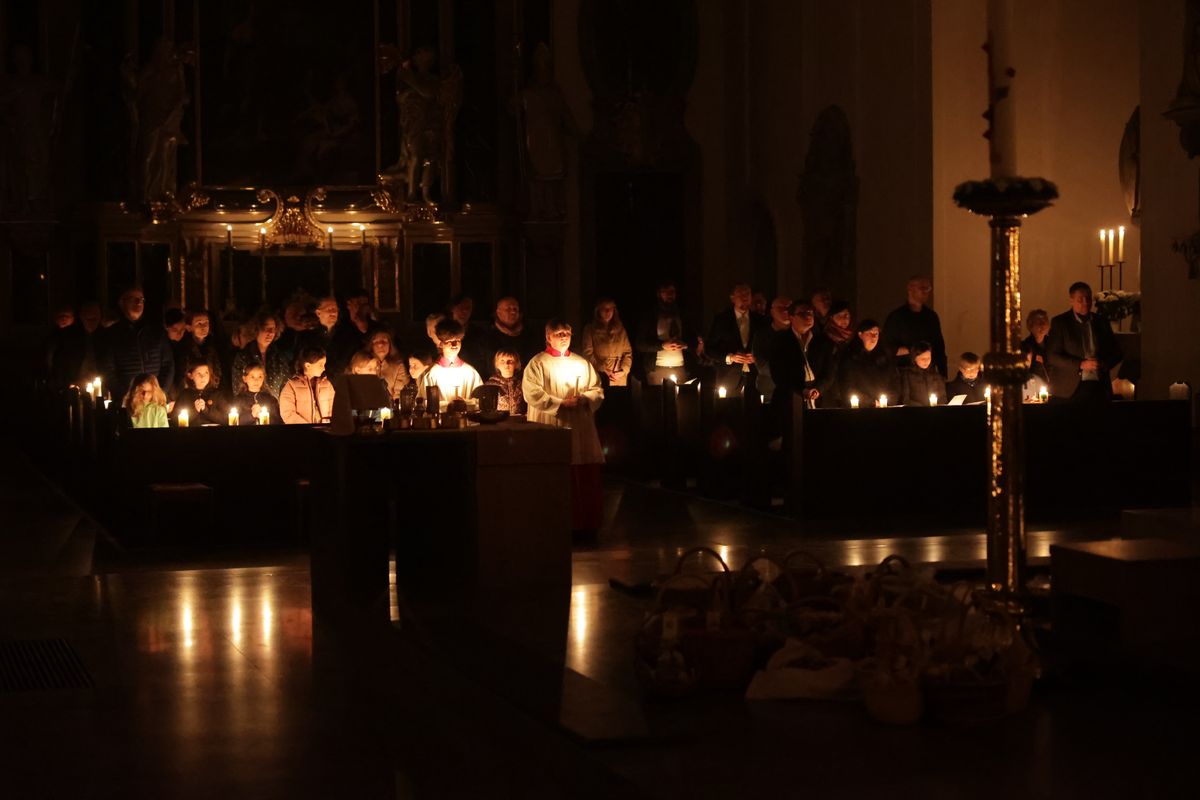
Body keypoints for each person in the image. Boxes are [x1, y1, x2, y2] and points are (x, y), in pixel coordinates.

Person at [522, 319, 605, 531]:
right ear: (548, 336)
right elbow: (532, 393)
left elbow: (597, 389)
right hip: (552, 421)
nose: (563, 337)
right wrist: (560, 403)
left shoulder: (582, 363)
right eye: (558, 333)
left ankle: (583, 525)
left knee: (580, 468)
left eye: (566, 333)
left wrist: (585, 398)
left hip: (578, 423)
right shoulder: (537, 363)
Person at [1046, 281, 1122, 402]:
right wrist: (1081, 364)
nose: (1085, 303)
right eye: (1080, 300)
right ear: (1071, 301)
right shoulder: (1061, 323)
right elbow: (1052, 356)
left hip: (1099, 387)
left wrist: (1103, 363)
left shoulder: (1101, 321)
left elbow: (1117, 352)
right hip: (1070, 389)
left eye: (1088, 299)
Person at [100, 285, 175, 400]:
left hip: (155, 399)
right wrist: (125, 396)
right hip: (128, 401)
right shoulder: (113, 334)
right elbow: (108, 370)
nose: (138, 302)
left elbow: (168, 364)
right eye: (133, 299)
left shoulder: (157, 331)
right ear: (122, 303)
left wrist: (161, 392)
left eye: (141, 299)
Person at [769, 300, 837, 410]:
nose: (808, 316)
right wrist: (802, 390)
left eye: (810, 313)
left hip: (819, 399)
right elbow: (779, 375)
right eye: (802, 314)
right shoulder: (781, 341)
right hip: (789, 401)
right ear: (791, 317)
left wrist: (818, 389)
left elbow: (829, 372)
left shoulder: (822, 341)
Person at [706, 283, 769, 390]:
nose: (745, 297)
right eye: (740, 294)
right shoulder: (722, 320)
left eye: (747, 294)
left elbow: (767, 346)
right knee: (728, 405)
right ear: (732, 298)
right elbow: (709, 349)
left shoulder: (760, 320)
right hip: (728, 376)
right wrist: (730, 357)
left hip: (755, 377)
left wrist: (756, 357)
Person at [882, 275, 947, 377]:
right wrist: (912, 350)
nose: (926, 292)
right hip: (904, 374)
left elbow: (939, 347)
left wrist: (943, 375)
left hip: (928, 375)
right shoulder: (896, 318)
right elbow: (887, 348)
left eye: (928, 289)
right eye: (922, 288)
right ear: (910, 289)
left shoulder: (931, 317)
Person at [634, 280, 692, 384]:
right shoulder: (650, 316)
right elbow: (639, 344)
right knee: (659, 399)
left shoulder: (682, 314)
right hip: (657, 369)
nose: (670, 294)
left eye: (672, 291)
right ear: (659, 294)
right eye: (665, 291)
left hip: (681, 368)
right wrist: (662, 345)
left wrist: (685, 345)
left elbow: (694, 339)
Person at [836, 319, 899, 408]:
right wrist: (871, 403)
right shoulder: (850, 358)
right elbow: (847, 387)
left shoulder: (886, 357)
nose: (873, 337)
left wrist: (888, 402)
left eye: (876, 334)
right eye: (869, 333)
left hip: (885, 409)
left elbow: (894, 383)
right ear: (860, 335)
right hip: (861, 410)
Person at [229, 311, 289, 398]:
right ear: (256, 329)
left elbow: (286, 386)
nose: (271, 333)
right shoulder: (243, 356)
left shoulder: (279, 357)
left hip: (275, 407)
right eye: (266, 329)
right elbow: (238, 389)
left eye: (273, 329)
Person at [420, 319, 483, 400]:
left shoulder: (470, 373)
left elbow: (480, 400)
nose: (454, 345)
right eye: (449, 341)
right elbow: (423, 401)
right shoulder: (432, 374)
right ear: (441, 344)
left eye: (458, 340)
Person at [49, 300, 103, 389]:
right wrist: (67, 384)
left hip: (99, 386)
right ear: (82, 316)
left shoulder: (106, 337)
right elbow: (59, 364)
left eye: (95, 318)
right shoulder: (68, 337)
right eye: (88, 318)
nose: (91, 321)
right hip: (74, 386)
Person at [581, 298, 633, 387]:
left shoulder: (620, 329)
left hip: (618, 377)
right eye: (604, 308)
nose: (608, 311)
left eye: (610, 309)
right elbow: (588, 353)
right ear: (598, 311)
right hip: (599, 375)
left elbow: (627, 353)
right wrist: (603, 368)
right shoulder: (590, 329)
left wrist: (623, 370)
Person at [480, 296, 542, 367]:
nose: (513, 312)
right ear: (498, 312)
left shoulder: (529, 336)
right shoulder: (487, 337)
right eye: (508, 309)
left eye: (515, 309)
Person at [279, 346, 335, 424]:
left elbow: (335, 408)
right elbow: (288, 413)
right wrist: (306, 428)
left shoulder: (327, 385)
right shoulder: (291, 386)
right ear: (308, 365)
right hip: (302, 433)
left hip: (325, 431)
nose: (324, 368)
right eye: (320, 364)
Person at [753, 294, 792, 398]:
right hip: (769, 389)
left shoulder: (799, 333)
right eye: (781, 308)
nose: (785, 311)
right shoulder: (762, 335)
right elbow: (760, 362)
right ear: (772, 312)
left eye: (789, 308)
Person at [172, 359, 225, 426]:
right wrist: (194, 410)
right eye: (198, 373)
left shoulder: (217, 394)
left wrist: (206, 410)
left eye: (206, 373)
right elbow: (174, 420)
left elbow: (226, 418)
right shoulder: (185, 395)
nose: (203, 377)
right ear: (190, 376)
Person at [368, 330, 410, 401]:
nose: (380, 345)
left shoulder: (399, 366)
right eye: (376, 341)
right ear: (371, 345)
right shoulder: (364, 364)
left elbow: (399, 394)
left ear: (390, 344)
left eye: (384, 341)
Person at [900, 341, 944, 406]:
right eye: (923, 359)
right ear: (914, 358)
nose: (926, 361)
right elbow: (905, 399)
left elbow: (943, 396)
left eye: (928, 358)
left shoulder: (935, 374)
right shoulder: (907, 375)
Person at [487, 348, 527, 415]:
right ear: (497, 364)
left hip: (520, 422)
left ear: (517, 364)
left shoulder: (524, 383)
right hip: (499, 423)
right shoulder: (490, 385)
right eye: (502, 361)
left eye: (510, 361)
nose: (506, 364)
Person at [1020, 308, 1051, 388]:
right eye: (1039, 322)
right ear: (1030, 326)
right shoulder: (1024, 347)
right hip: (1033, 388)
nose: (1042, 325)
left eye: (1045, 322)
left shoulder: (1054, 344)